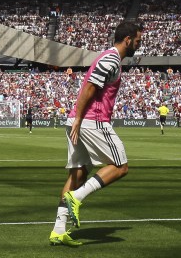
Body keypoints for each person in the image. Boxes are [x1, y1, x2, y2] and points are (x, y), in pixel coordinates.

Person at [48, 20, 142, 247]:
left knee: (78, 174)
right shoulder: (111, 59)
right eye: (138, 40)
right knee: (121, 166)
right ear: (127, 39)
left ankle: (58, 230)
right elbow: (90, 87)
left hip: (79, 120)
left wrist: (76, 119)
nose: (139, 45)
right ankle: (77, 197)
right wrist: (80, 119)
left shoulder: (109, 58)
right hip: (92, 120)